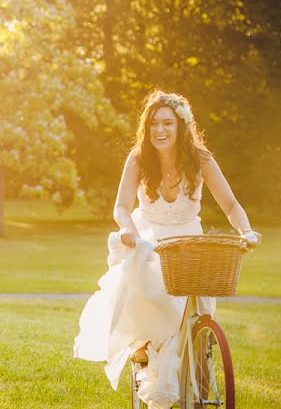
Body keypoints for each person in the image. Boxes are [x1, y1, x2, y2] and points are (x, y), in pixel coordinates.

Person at [73, 90, 259, 408]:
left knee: (194, 306)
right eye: (154, 123)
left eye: (168, 123)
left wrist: (246, 231)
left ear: (182, 127)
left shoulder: (201, 159)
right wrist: (128, 230)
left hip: (188, 238)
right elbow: (121, 207)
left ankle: (197, 365)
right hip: (148, 236)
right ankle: (144, 348)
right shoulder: (138, 158)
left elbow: (229, 203)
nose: (160, 130)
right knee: (148, 285)